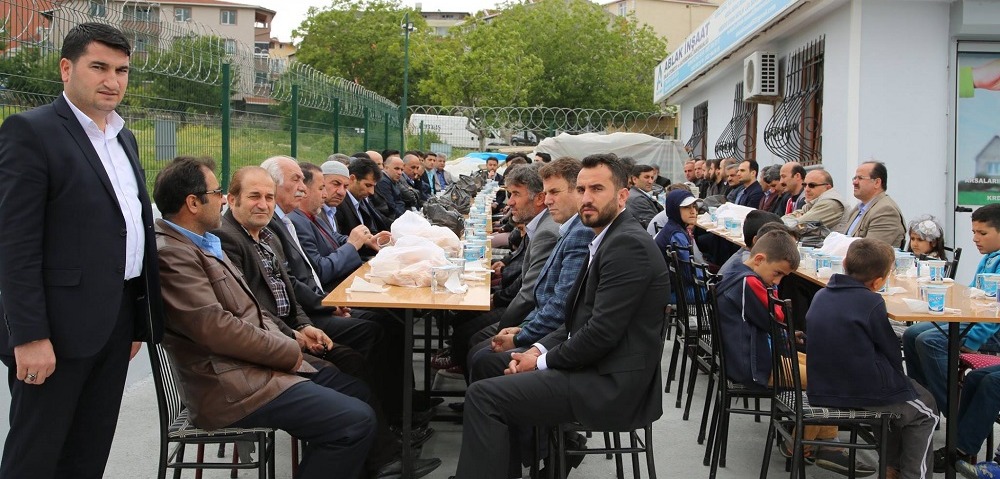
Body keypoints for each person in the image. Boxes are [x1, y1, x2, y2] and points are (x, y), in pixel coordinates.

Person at [0, 23, 164, 479]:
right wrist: (29, 337)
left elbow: (129, 231)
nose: (112, 81)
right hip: (55, 329)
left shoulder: (124, 138)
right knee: (35, 456)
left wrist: (135, 319)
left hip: (114, 324)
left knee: (88, 453)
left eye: (122, 70)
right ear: (66, 68)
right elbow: (15, 245)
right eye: (99, 67)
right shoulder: (30, 132)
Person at [152, 157, 379, 479]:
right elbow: (217, 328)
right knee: (353, 420)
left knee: (355, 394)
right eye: (218, 192)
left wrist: (296, 334)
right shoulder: (173, 254)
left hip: (251, 370)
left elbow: (254, 309)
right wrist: (288, 349)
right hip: (230, 387)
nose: (221, 200)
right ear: (192, 202)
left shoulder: (201, 244)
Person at [453, 153, 671, 478]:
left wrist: (540, 361)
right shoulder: (607, 237)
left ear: (623, 195)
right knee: (494, 382)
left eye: (597, 189)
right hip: (594, 367)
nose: (586, 198)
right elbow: (574, 321)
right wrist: (535, 351)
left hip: (612, 383)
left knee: (485, 396)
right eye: (582, 189)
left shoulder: (628, 245)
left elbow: (599, 334)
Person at [807, 239, 938, 479]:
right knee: (926, 410)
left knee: (904, 404)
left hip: (822, 385)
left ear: (844, 263)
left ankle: (891, 468)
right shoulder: (872, 301)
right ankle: (912, 475)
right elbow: (889, 349)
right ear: (878, 282)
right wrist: (900, 380)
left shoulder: (821, 294)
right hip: (860, 390)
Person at [468, 157, 594, 380]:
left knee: (480, 354)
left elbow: (557, 303)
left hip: (553, 336)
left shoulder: (574, 231)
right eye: (547, 193)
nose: (548, 201)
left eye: (554, 192)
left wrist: (520, 335)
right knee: (475, 346)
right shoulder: (567, 227)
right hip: (538, 323)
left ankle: (489, 404)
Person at [904, 203, 1000, 419]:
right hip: (978, 320)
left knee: (929, 340)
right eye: (974, 232)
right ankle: (925, 407)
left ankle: (955, 415)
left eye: (982, 233)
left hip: (991, 330)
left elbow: (995, 312)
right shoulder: (989, 257)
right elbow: (976, 295)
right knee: (912, 334)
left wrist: (972, 340)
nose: (975, 238)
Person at [836, 161, 906, 248]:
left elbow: (869, 252)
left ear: (877, 183)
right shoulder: (858, 209)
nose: (855, 182)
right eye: (855, 178)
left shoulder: (886, 211)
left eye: (860, 178)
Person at [655, 189, 702, 300]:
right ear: (675, 210)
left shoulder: (673, 227)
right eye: (686, 207)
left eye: (694, 206)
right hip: (673, 293)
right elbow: (690, 272)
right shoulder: (677, 235)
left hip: (667, 289)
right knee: (719, 293)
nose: (693, 211)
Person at [782, 169, 846, 229]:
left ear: (827, 188)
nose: (806, 189)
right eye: (804, 185)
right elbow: (783, 220)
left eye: (812, 185)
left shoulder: (830, 203)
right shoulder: (813, 202)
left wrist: (798, 219)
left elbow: (798, 227)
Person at [627, 164, 665, 229]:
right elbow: (654, 226)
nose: (650, 181)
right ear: (634, 179)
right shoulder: (637, 199)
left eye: (652, 178)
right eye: (646, 177)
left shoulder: (637, 195)